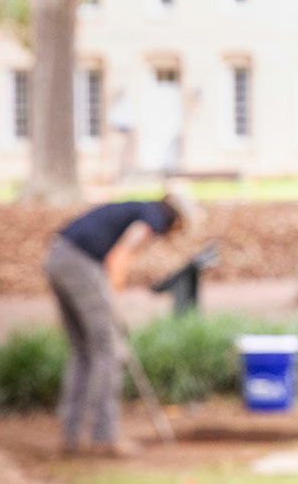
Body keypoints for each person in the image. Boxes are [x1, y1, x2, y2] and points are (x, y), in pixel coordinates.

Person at [44, 191, 202, 457]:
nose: (176, 233)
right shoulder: (154, 216)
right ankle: (104, 438)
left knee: (84, 352)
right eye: (181, 227)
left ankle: (71, 436)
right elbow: (120, 255)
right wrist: (111, 302)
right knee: (110, 352)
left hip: (57, 258)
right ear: (177, 218)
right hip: (80, 265)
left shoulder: (138, 209)